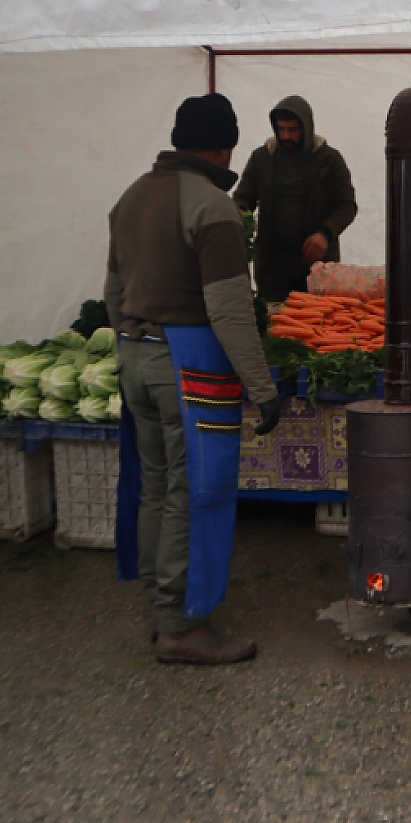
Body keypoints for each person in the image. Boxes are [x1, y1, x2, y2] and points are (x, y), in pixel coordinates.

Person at [105, 93, 284, 666]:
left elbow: (112, 292)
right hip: (187, 366)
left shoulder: (131, 197)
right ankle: (182, 628)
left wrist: (135, 344)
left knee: (156, 487)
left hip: (136, 356)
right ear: (223, 145)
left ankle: (163, 609)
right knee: (194, 493)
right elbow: (230, 308)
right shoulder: (213, 208)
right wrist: (262, 387)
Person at [233, 95, 358, 303]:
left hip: (318, 266)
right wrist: (238, 215)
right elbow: (243, 198)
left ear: (307, 127)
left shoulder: (330, 161)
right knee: (275, 323)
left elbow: (346, 205)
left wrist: (325, 233)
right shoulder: (262, 158)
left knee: (317, 322)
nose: (286, 136)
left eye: (293, 130)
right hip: (272, 267)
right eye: (281, 129)